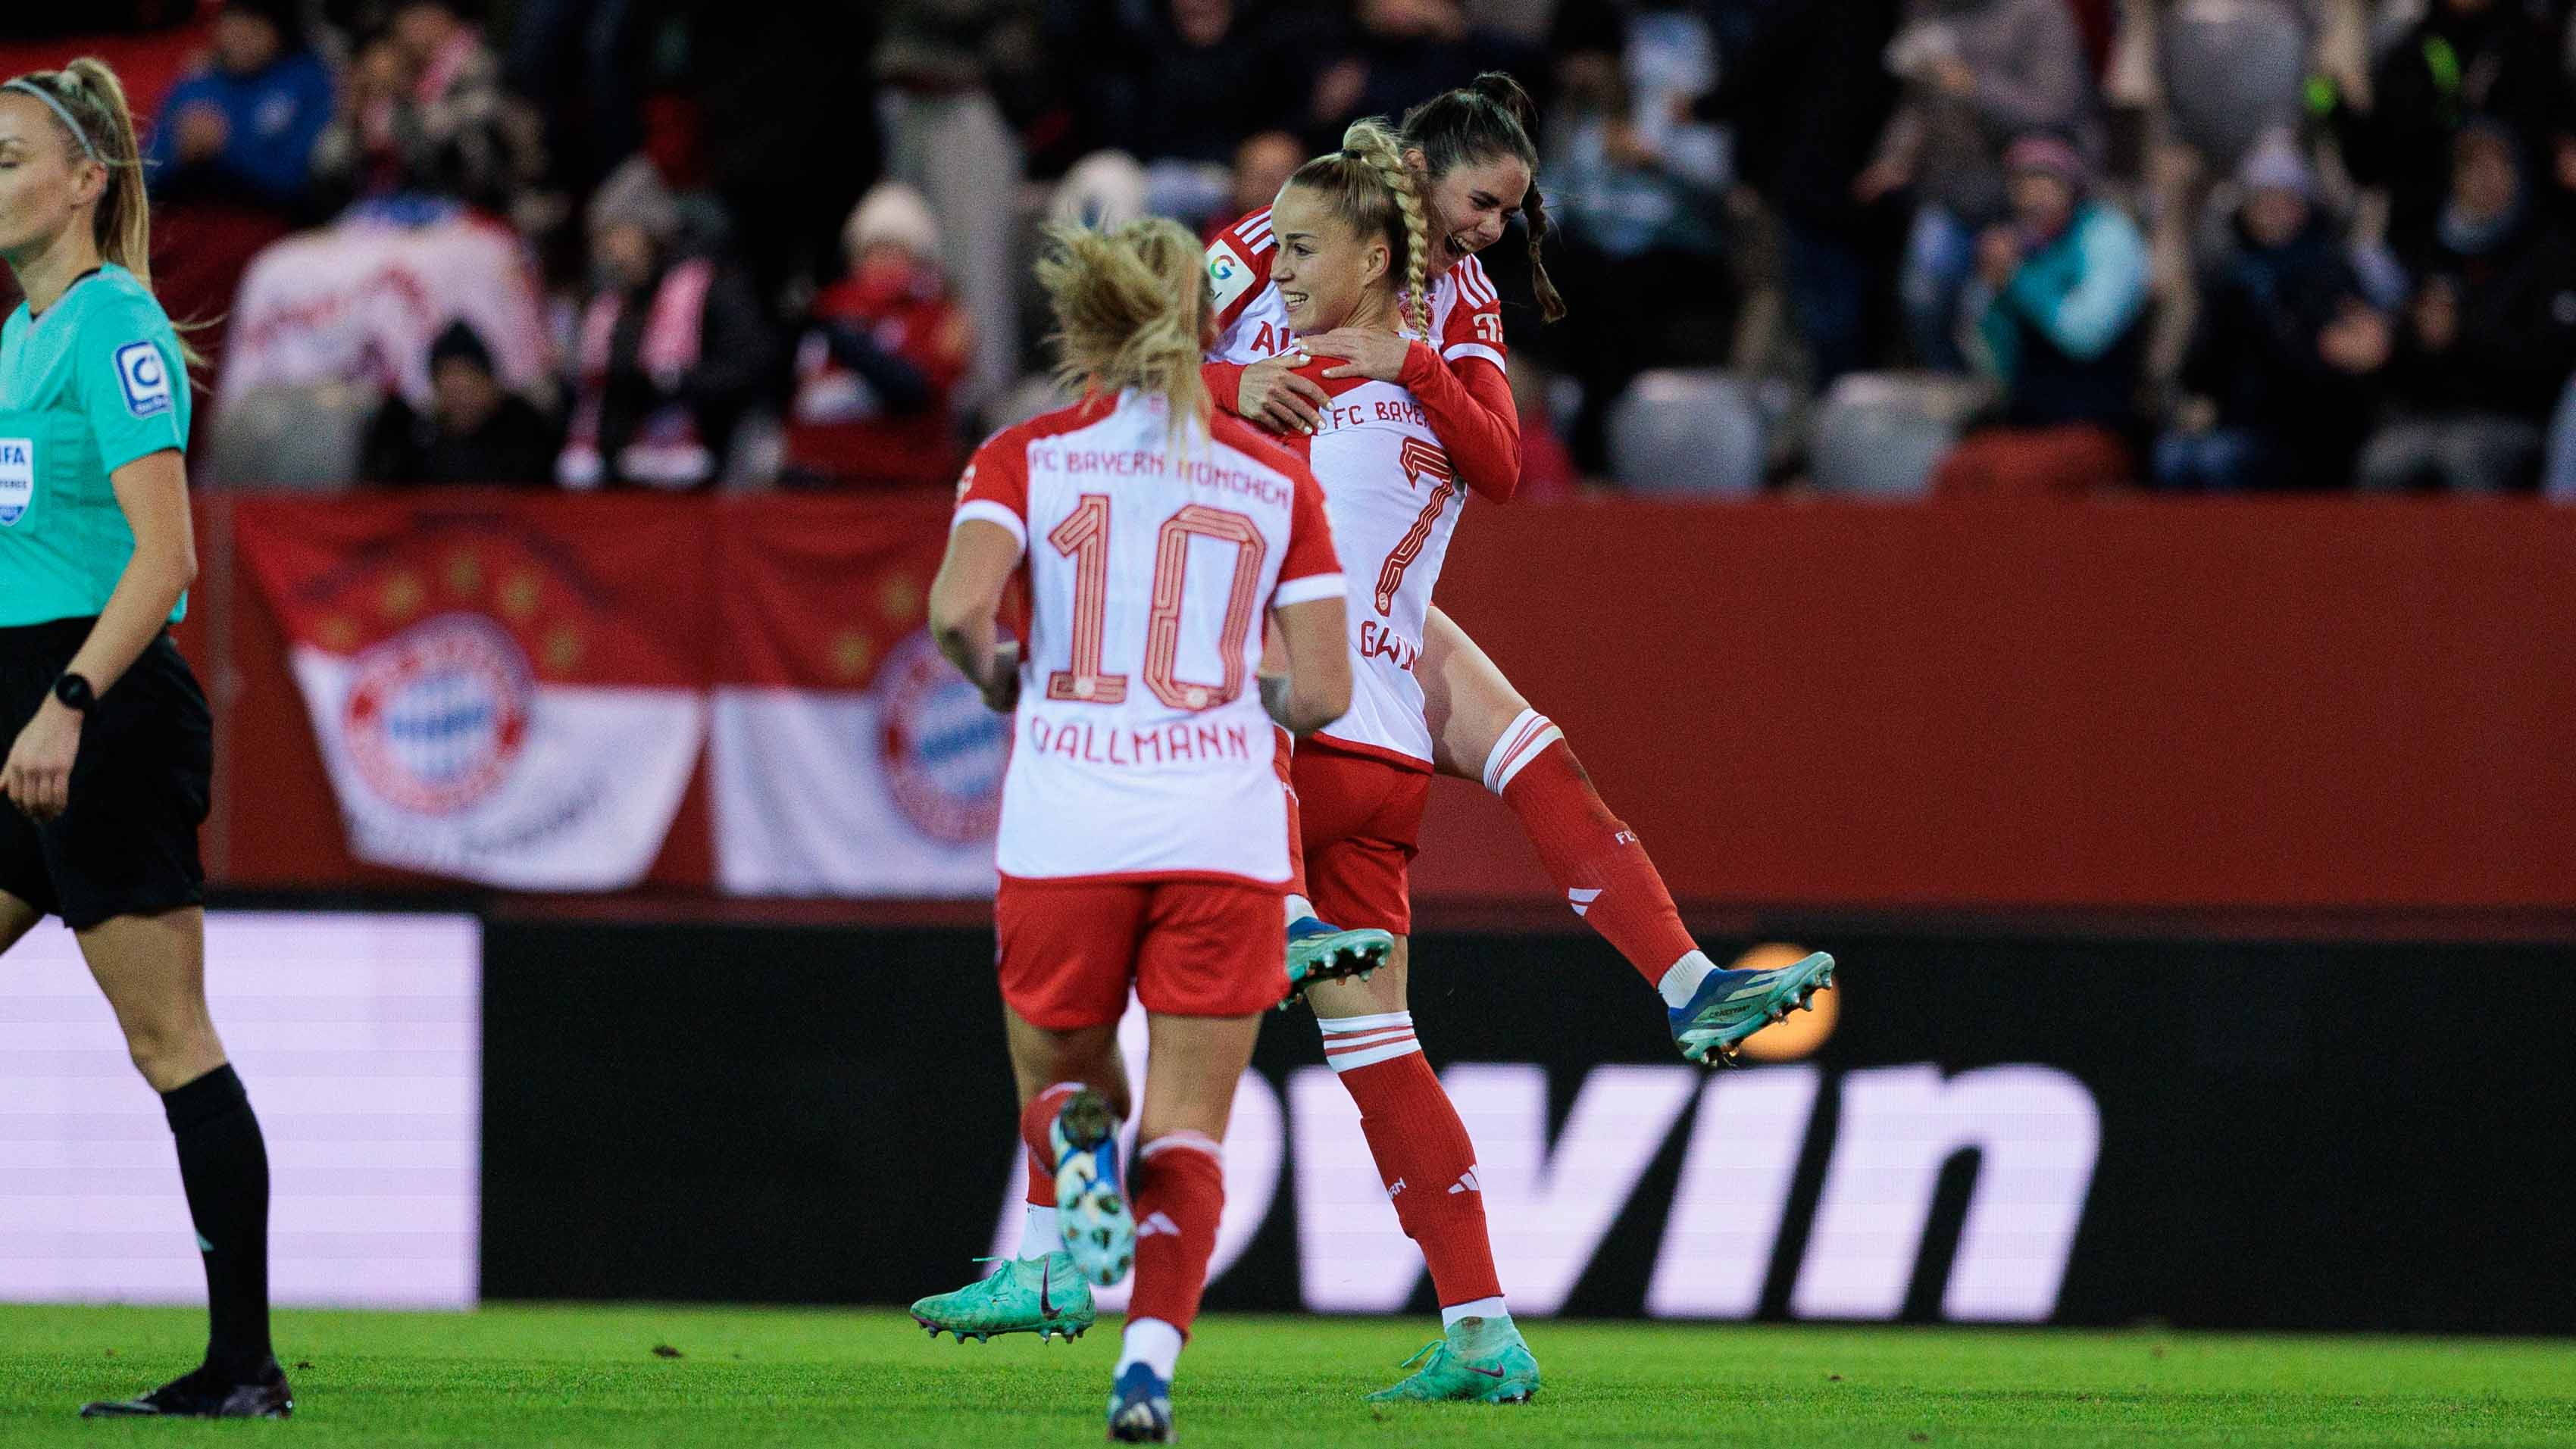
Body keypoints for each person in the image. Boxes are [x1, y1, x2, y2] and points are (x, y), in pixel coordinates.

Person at [1201, 74, 1830, 1064]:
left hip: (1377, 603)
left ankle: (1691, 986)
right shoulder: (1265, 241)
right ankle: (1266, 921)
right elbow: (1130, 378)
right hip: (1258, 578)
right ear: (1415, 174)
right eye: (1481, 204)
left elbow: (1498, 463)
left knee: (1542, 756)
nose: (1494, 230)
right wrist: (1235, 380)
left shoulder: (1461, 296)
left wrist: (1411, 363)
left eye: (1508, 211)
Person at [923, 215, 1352, 1443]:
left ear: (1088, 329)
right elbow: (1321, 692)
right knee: (1191, 1130)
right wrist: (1243, 698)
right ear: (1209, 331)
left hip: (1066, 823)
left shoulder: (1023, 456)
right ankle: (1145, 1369)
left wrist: (1006, 672)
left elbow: (957, 613)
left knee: (1061, 1080)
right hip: (1220, 829)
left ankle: (1075, 1157)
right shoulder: (1274, 474)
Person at [0, 61, 286, 1419]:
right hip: (24, 709)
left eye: (9, 158)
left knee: (170, 1039)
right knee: (166, 1039)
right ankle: (239, 1364)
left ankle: (243, 1364)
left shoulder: (116, 326)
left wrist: (68, 701)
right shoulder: (23, 331)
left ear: (87, 181)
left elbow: (163, 553)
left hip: (94, 713)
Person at [1268, 117, 1546, 1401]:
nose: (1278, 274)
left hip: (1297, 754)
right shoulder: (1423, 378)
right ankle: (1483, 1322)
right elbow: (1496, 461)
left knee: (1089, 912)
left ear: (1373, 255)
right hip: (1389, 765)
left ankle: (1057, 1237)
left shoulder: (1300, 389)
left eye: (1300, 253)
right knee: (1380, 1047)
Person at [2358, 120, 2576, 494]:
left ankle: (2494, 555)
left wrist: (2464, 334)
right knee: (2383, 459)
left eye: (2498, 165)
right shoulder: (2430, 253)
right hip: (2434, 416)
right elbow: (2406, 361)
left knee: (2466, 456)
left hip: (2515, 418)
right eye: (2471, 166)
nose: (2484, 178)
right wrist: (2404, 340)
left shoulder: (2550, 253)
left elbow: (2552, 359)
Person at [2157, 143, 2389, 493]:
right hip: (2237, 421)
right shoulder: (2230, 274)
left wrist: (2272, 323)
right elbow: (2198, 373)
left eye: (2285, 200)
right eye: (2262, 200)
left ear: (2305, 207)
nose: (2273, 211)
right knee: (2172, 456)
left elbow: (2329, 370)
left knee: (2220, 460)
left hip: (2307, 433)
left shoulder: (2332, 271)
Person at [1930, 133, 2147, 496]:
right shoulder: (2022, 247)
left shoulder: (2105, 235)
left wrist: (2016, 280)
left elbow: (2086, 335)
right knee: (1957, 473)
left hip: (2096, 427)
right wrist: (1991, 292)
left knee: (2013, 481)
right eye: (2024, 185)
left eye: (2046, 183)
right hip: (2029, 426)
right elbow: (1996, 366)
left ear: (2071, 189)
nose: (2035, 197)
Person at [781, 181, 971, 488]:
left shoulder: (936, 314)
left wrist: (848, 341)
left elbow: (918, 389)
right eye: (873, 251)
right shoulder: (833, 308)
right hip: (822, 480)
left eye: (893, 252)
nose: (882, 263)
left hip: (898, 484)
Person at [360, 317, 558, 486]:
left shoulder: (523, 428)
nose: (461, 398)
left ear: (489, 384)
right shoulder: (420, 435)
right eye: (450, 387)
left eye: (468, 382)